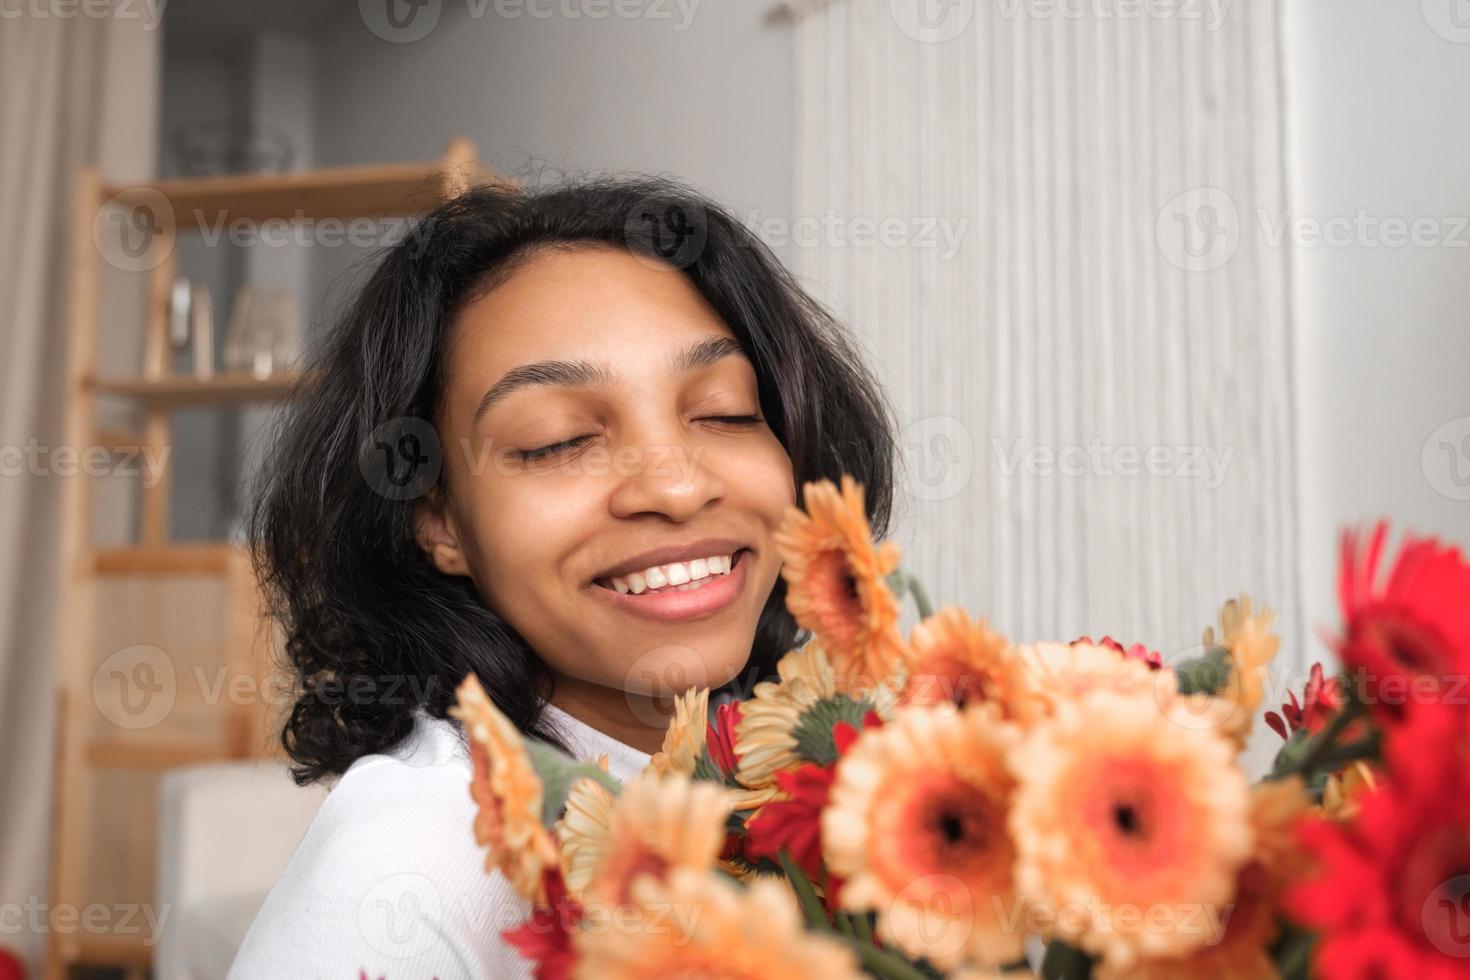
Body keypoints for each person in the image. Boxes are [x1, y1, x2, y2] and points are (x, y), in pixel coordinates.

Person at [229, 176, 898, 978]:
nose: (677, 486)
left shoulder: (830, 788)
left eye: (723, 411)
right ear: (436, 518)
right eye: (557, 441)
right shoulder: (408, 857)